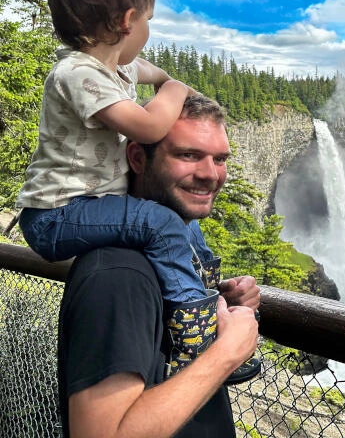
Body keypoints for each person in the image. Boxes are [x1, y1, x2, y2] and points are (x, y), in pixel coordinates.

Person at [14, 0, 255, 379]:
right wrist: (177, 89)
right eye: (148, 21)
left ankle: (206, 291)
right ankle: (199, 341)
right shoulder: (77, 74)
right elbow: (147, 126)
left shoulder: (118, 69)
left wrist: (164, 79)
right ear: (128, 20)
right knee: (160, 224)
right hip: (57, 216)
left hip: (90, 203)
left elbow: (146, 70)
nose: (147, 30)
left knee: (179, 220)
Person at [58, 95, 260, 438]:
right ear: (137, 158)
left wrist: (217, 304)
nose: (211, 174)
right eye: (188, 155)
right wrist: (227, 352)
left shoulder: (166, 257)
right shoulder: (118, 275)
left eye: (220, 158)